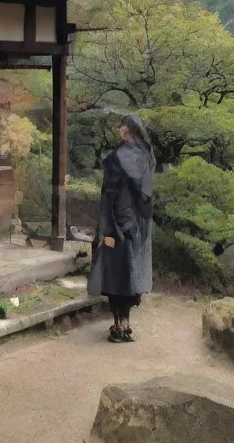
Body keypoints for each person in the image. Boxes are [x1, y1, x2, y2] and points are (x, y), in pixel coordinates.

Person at [87, 113, 155, 342]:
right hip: (138, 227)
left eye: (121, 128)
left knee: (115, 277)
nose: (119, 131)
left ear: (127, 131)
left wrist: (105, 231)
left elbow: (109, 196)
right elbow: (146, 199)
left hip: (117, 224)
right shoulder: (145, 157)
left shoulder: (116, 159)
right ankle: (126, 325)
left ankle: (118, 326)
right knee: (131, 274)